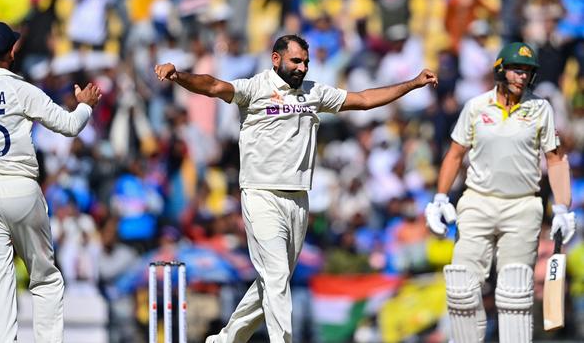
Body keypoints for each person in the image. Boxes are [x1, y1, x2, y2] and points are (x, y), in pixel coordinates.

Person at [155, 34, 438, 343]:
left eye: (306, 62)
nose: (302, 68)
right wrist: (179, 75)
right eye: (295, 61)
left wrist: (412, 83)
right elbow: (212, 86)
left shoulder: (313, 92)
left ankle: (225, 340)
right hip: (261, 195)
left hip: (299, 199)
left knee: (273, 282)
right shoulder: (256, 88)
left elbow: (364, 100)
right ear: (276, 59)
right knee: (276, 277)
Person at [0, 21, 101, 343]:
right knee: (45, 278)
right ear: (12, 51)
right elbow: (70, 126)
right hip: (19, 187)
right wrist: (86, 104)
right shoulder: (20, 89)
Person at [424, 42, 576, 343]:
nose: (522, 76)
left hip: (523, 206)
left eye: (528, 71)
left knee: (515, 290)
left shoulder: (540, 108)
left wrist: (562, 207)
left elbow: (556, 159)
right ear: (500, 70)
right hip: (477, 202)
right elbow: (454, 154)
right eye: (517, 70)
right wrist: (440, 198)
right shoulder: (477, 106)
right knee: (461, 287)